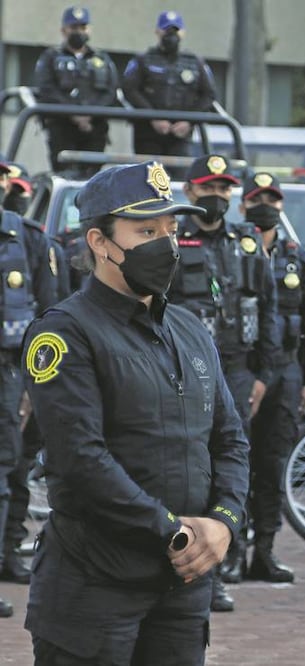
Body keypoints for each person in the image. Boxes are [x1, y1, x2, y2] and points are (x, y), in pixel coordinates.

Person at [22, 161, 249, 661]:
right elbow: (81, 459)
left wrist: (224, 521)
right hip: (94, 589)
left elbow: (229, 438)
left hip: (181, 589)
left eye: (171, 228)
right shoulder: (65, 333)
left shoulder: (189, 329)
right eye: (146, 230)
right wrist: (177, 531)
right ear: (101, 243)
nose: (165, 244)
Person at [167, 154, 279, 611]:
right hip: (183, 367)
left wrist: (263, 375)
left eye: (224, 189)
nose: (217, 196)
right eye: (208, 188)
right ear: (190, 192)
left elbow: (268, 307)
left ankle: (217, 568)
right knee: (191, 464)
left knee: (231, 462)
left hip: (236, 368)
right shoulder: (174, 237)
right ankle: (189, 561)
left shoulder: (247, 241)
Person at [240, 172, 305, 583]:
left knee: (272, 464)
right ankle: (232, 551)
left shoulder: (298, 257)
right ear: (243, 207)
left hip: (287, 371)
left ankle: (264, 551)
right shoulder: (234, 251)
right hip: (243, 367)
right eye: (258, 199)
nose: (266, 207)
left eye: (273, 201)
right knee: (234, 461)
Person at [0, 160, 61, 617]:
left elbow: (49, 320)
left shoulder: (30, 239)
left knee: (7, 471)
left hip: (9, 372)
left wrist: (31, 383)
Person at [32, 6, 119, 176]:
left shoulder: (101, 58)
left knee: (93, 178)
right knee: (65, 175)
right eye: (73, 28)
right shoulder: (50, 57)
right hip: (62, 127)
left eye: (83, 27)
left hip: (94, 128)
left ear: (89, 30)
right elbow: (46, 89)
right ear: (63, 30)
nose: (79, 32)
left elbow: (111, 91)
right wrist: (74, 114)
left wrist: (89, 115)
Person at [121, 11, 217, 158]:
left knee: (180, 177)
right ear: (157, 31)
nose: (171, 34)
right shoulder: (143, 59)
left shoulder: (195, 62)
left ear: (183, 33)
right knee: (151, 178)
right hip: (148, 134)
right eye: (166, 30)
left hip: (181, 135)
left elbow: (209, 94)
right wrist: (153, 117)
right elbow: (129, 89)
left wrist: (188, 121)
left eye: (175, 30)